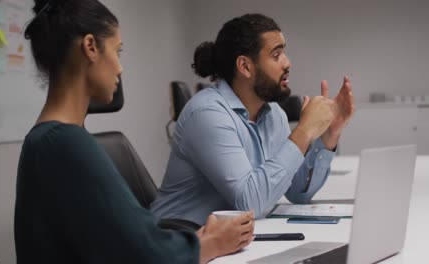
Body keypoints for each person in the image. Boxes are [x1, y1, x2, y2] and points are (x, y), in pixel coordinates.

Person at [14, 0, 254, 263]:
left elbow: (120, 241)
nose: (120, 67)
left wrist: (197, 240)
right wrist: (217, 242)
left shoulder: (44, 140)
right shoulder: (65, 144)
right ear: (91, 47)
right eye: (118, 51)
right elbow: (146, 256)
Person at [151, 14, 354, 226]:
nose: (288, 63)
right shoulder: (207, 114)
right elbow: (250, 203)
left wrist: (330, 134)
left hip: (229, 242)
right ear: (245, 66)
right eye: (276, 55)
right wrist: (304, 132)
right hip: (179, 242)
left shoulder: (273, 113)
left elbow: (297, 192)